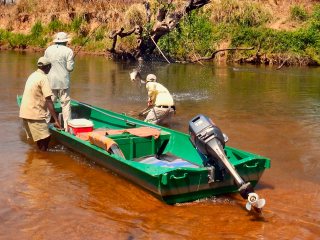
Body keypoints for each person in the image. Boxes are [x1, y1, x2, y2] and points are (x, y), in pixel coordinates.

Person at [19, 57, 62, 151]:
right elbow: (49, 100)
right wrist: (56, 120)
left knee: (40, 138)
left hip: (25, 111)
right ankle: (42, 159)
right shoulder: (43, 78)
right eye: (50, 67)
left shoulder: (33, 75)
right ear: (47, 67)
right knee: (46, 138)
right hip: (34, 113)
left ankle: (39, 156)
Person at [44, 31, 74, 130]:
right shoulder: (68, 51)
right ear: (65, 41)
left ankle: (45, 124)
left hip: (50, 82)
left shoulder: (48, 50)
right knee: (65, 105)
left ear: (56, 41)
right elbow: (70, 68)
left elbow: (44, 64)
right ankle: (67, 128)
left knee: (49, 103)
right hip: (63, 82)